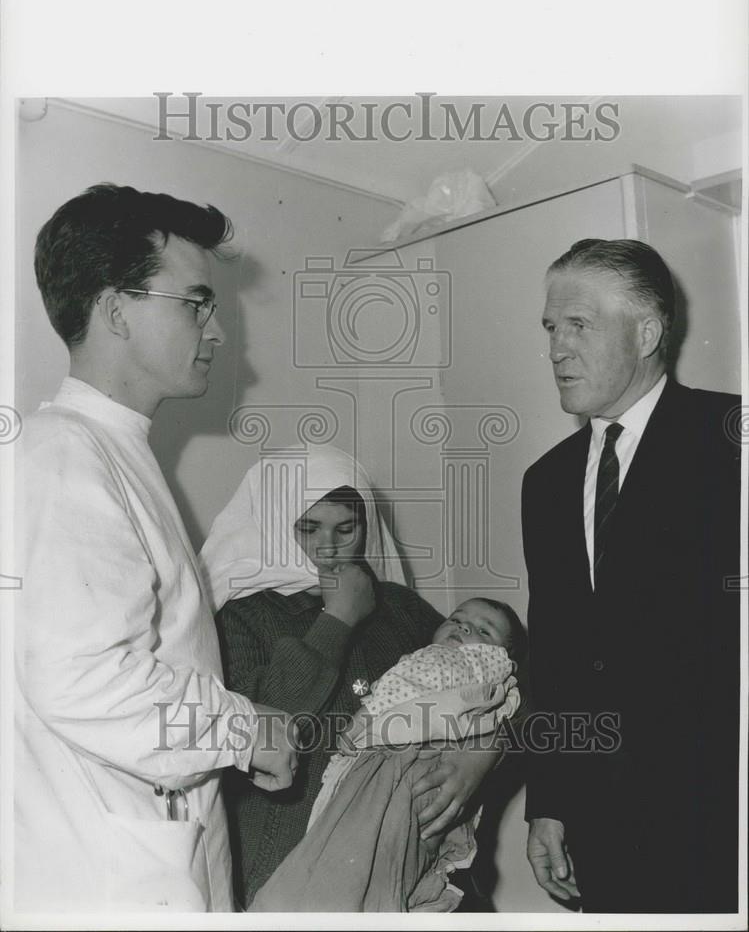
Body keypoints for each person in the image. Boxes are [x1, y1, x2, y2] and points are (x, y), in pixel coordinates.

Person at [15, 184, 297, 913]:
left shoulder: (104, 449)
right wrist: (246, 728)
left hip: (142, 848)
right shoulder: (64, 457)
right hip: (107, 876)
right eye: (195, 304)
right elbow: (80, 677)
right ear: (116, 311)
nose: (217, 331)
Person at [522, 238, 740, 913]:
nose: (556, 349)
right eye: (550, 328)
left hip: (722, 813)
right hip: (604, 825)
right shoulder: (545, 482)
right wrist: (548, 802)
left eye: (578, 325)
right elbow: (554, 654)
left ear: (646, 333)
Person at [202, 445, 504, 909]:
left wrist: (481, 755)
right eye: (308, 528)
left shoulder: (400, 607)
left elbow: (505, 680)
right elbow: (259, 726)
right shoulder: (240, 615)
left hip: (406, 863)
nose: (329, 548)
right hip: (285, 868)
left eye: (347, 529)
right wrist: (337, 620)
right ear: (272, 523)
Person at [251, 597, 525, 912]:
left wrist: (365, 716)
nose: (463, 626)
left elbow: (406, 684)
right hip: (406, 782)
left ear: (503, 656)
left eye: (483, 630)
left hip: (401, 769)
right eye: (456, 618)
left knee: (351, 874)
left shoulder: (449, 656)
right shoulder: (253, 612)